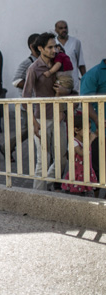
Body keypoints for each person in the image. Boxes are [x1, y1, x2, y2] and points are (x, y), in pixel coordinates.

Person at [23, 32, 69, 191]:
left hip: (59, 117)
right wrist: (33, 122)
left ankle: (47, 183)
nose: (54, 50)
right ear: (40, 48)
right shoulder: (33, 69)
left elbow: (68, 87)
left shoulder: (59, 64)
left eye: (55, 46)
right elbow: (26, 98)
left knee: (63, 158)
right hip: (41, 119)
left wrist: (64, 91)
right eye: (50, 47)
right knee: (43, 159)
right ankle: (37, 197)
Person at [1, 33, 40, 161]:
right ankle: (6, 146)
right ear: (31, 46)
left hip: (37, 104)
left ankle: (7, 146)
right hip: (28, 104)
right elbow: (16, 81)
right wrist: (33, 86)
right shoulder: (27, 63)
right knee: (29, 130)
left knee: (29, 130)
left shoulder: (42, 62)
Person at [81, 59, 106, 190]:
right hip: (101, 132)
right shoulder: (93, 74)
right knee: (98, 168)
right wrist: (98, 120)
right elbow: (86, 102)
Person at [61, 116, 98, 196]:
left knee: (88, 193)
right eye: (86, 129)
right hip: (76, 175)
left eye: (90, 128)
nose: (89, 131)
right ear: (76, 130)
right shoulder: (73, 141)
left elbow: (96, 134)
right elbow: (81, 153)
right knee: (76, 195)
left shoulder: (85, 139)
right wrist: (90, 140)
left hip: (86, 172)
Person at [55, 20, 85, 92]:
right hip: (57, 83)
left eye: (65, 28)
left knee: (74, 103)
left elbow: (81, 63)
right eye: (61, 28)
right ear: (56, 30)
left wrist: (85, 80)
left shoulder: (75, 42)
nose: (64, 30)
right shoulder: (53, 43)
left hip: (73, 82)